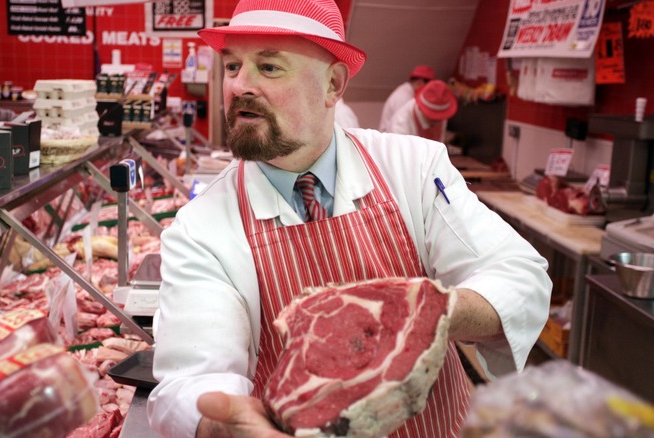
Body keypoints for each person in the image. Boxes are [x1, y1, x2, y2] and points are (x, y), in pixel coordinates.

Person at [147, 0, 551, 437]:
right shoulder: (200, 227)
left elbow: (519, 275)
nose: (240, 85)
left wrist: (427, 312)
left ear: (333, 84)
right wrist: (224, 425)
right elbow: (192, 379)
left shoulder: (413, 166)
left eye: (269, 67)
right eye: (232, 66)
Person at [390, 79, 457, 142]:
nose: (438, 121)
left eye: (441, 117)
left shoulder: (442, 110)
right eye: (433, 116)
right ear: (420, 108)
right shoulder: (400, 125)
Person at [379, 64, 435, 132]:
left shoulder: (406, 91)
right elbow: (399, 125)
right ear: (420, 82)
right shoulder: (404, 97)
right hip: (391, 135)